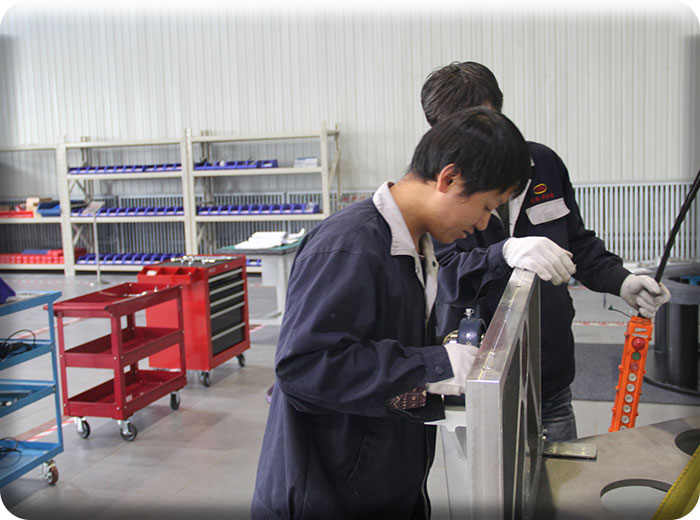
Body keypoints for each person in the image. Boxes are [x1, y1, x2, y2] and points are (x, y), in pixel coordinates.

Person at [251, 107, 532, 519]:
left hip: (382, 479)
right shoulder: (351, 246)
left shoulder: (414, 245)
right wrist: (434, 365)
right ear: (449, 179)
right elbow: (303, 368)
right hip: (328, 496)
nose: (483, 223)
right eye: (486, 206)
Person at [420, 61, 671, 442]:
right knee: (487, 476)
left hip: (549, 366)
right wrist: (503, 253)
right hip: (475, 371)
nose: (474, 144)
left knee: (561, 473)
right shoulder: (434, 188)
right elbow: (443, 277)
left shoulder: (544, 165)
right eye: (458, 133)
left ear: (499, 112)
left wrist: (622, 282)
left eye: (482, 124)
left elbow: (577, 244)